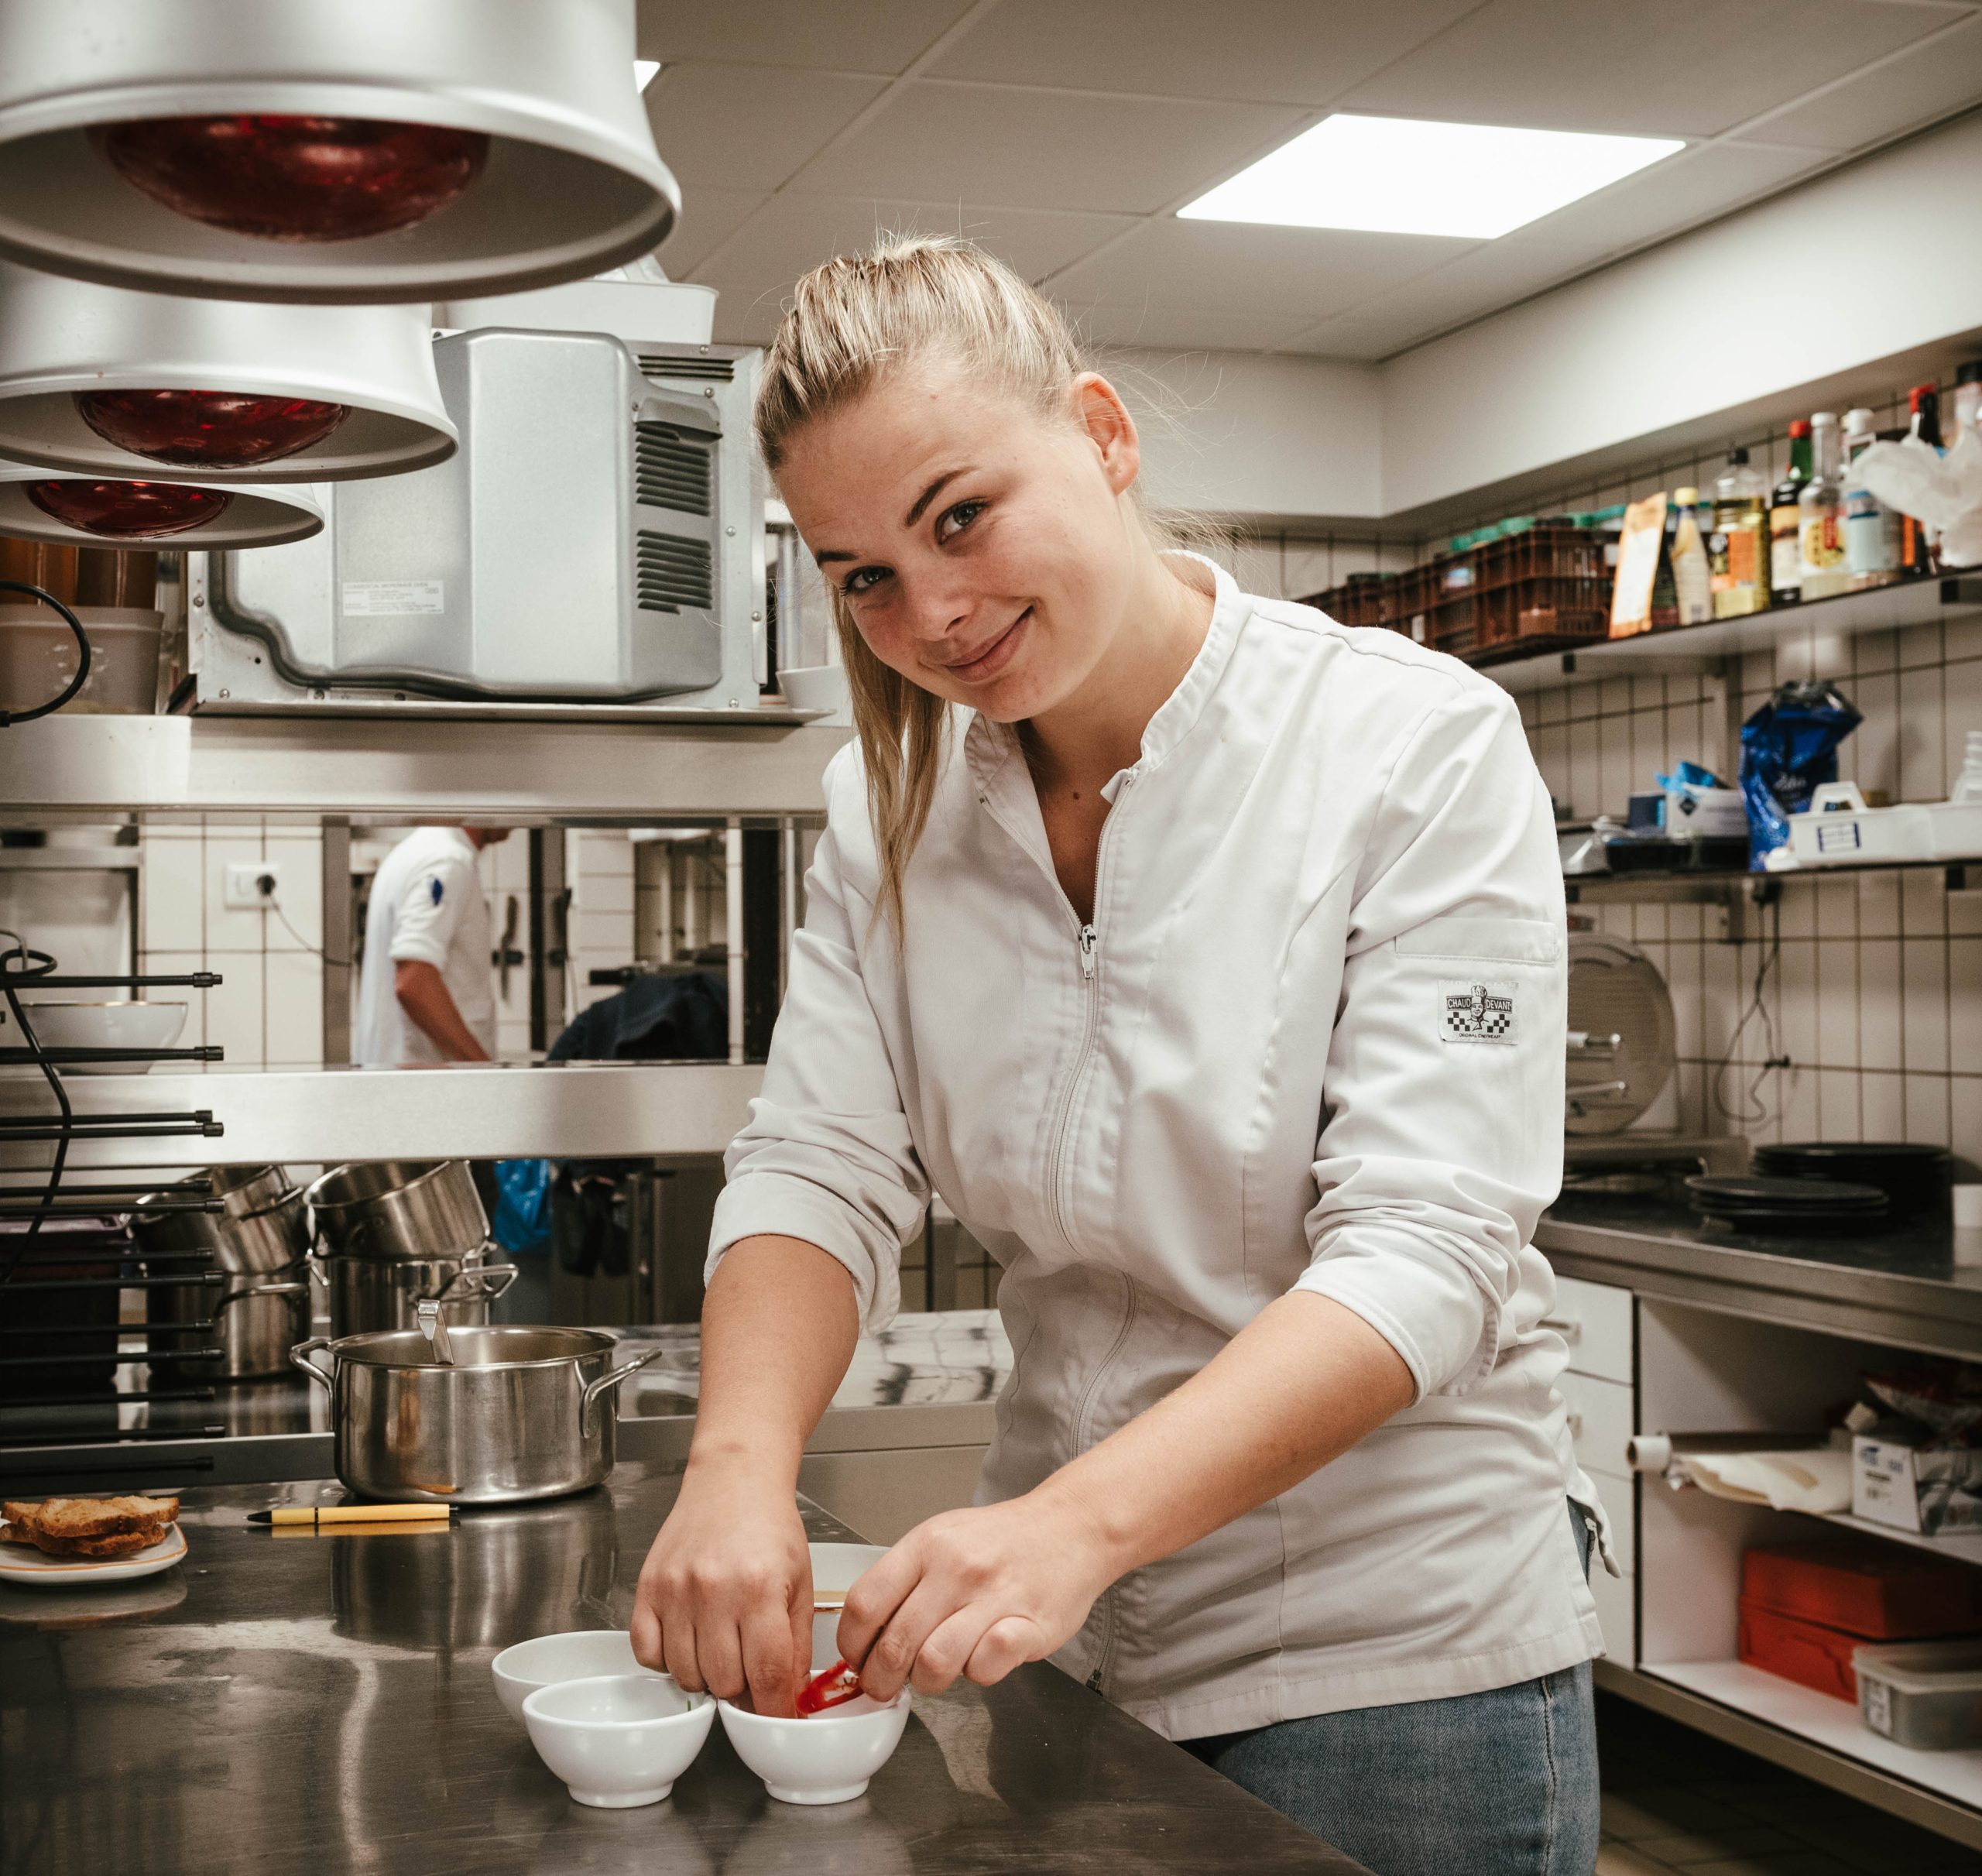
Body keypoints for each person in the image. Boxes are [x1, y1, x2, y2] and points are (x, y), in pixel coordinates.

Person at [633, 236, 1604, 1876]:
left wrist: (1071, 1524)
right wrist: (736, 1470)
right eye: (860, 571)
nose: (929, 611)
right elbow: (820, 1158)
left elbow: (1431, 1245)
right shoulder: (894, 806)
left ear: (1099, 434)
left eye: (961, 514)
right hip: (1062, 1649)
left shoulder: (1404, 745)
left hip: (1387, 1663)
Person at [352, 824, 509, 1067]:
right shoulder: (448, 861)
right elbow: (414, 980)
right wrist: (482, 1070)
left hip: (403, 1076)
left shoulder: (417, 850)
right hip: (427, 1082)